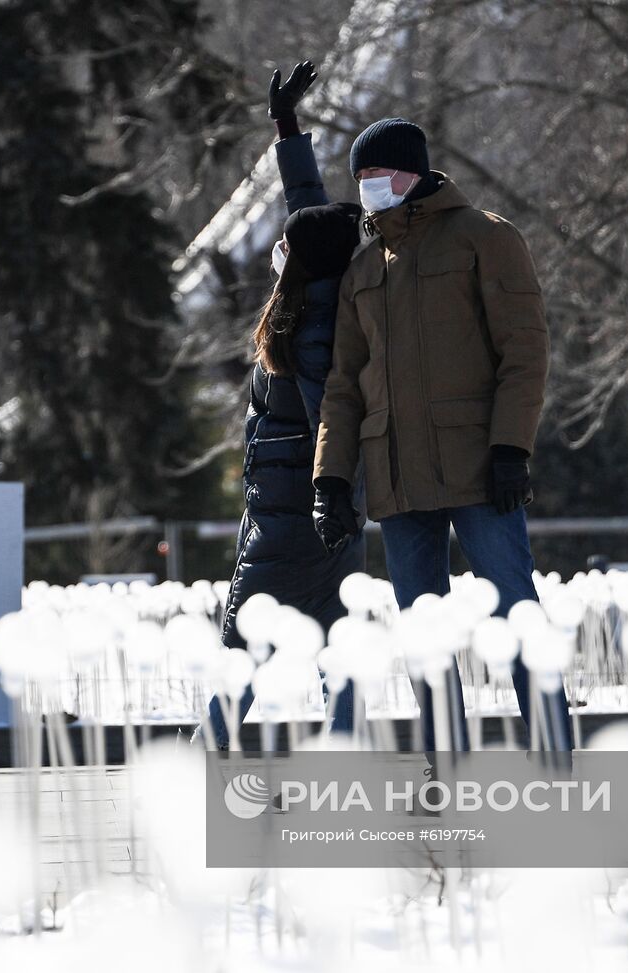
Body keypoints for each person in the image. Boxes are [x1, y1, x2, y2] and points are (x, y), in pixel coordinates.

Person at [311, 117, 575, 754]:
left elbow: (524, 349)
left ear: (411, 171)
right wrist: (331, 477)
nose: (367, 187)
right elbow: (344, 385)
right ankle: (444, 767)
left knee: (516, 614)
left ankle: (557, 759)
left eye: (376, 174)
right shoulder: (363, 268)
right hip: (397, 476)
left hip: (480, 468)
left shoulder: (484, 238)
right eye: (360, 178)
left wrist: (512, 446)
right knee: (424, 638)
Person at [197, 61, 366, 750]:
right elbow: (309, 209)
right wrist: (287, 127)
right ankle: (349, 754)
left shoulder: (313, 325)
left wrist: (327, 493)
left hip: (294, 518)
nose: (277, 244)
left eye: (285, 243)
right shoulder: (315, 293)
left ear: (295, 259)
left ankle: (203, 763)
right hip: (312, 510)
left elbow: (332, 412)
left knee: (239, 650)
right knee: (340, 650)